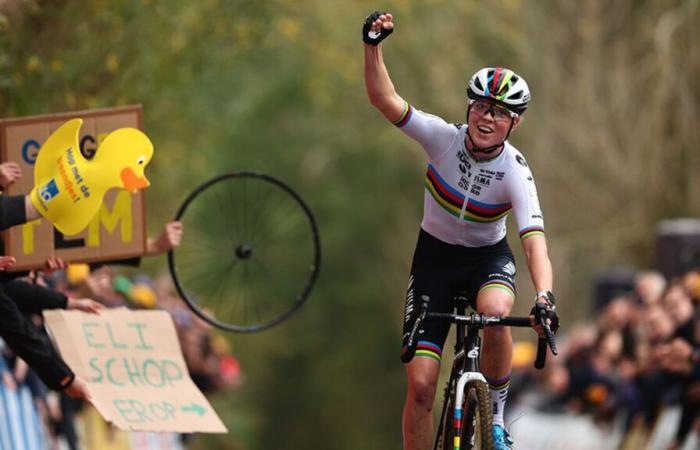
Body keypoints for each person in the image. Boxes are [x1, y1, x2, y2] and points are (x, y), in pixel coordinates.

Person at [362, 11, 559, 450]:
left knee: (494, 315)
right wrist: (372, 46)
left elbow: (534, 242)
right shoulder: (441, 139)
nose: (487, 118)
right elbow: (384, 100)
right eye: (481, 107)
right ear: (469, 107)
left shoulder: (515, 171)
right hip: (433, 261)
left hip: (486, 260)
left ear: (514, 123)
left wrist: (544, 295)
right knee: (421, 390)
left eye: (500, 113)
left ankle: (496, 421)